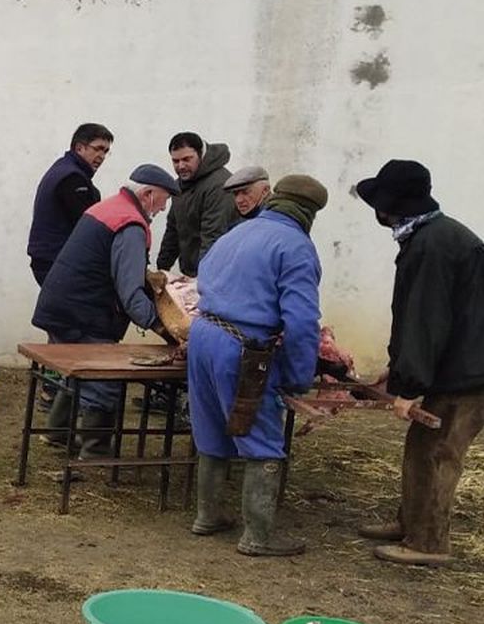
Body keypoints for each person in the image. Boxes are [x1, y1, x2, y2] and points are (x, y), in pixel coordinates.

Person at [354, 159, 484, 567]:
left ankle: (429, 542)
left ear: (393, 205)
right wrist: (399, 368)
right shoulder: (426, 235)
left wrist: (409, 389)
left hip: (478, 361)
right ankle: (411, 522)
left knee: (441, 448)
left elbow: (428, 319)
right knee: (420, 443)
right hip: (463, 352)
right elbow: (414, 316)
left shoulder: (432, 245)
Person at [188, 175, 327, 557]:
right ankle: (258, 536)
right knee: (262, 438)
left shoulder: (236, 234)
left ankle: (207, 516)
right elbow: (300, 321)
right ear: (309, 213)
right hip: (243, 346)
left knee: (213, 425)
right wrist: (297, 378)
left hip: (203, 335)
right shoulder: (296, 246)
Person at [31, 164, 179, 456]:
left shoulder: (108, 207)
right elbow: (130, 293)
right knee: (104, 378)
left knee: (77, 369)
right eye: (164, 200)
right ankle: (95, 448)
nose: (163, 208)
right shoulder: (131, 224)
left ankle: (59, 431)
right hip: (84, 312)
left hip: (60, 305)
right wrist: (165, 328)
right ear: (148, 194)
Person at [26, 123, 113, 286]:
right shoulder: (72, 178)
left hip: (48, 259)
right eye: (98, 148)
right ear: (79, 148)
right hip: (56, 260)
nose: (102, 156)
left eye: (106, 151)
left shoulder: (63, 170)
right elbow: (87, 225)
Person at [156, 132, 239, 276]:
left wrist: (202, 280)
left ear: (201, 154)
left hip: (217, 275)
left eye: (187, 159)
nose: (181, 166)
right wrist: (162, 269)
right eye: (175, 161)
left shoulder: (219, 186)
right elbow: (173, 230)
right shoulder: (180, 185)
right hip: (192, 272)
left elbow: (213, 236)